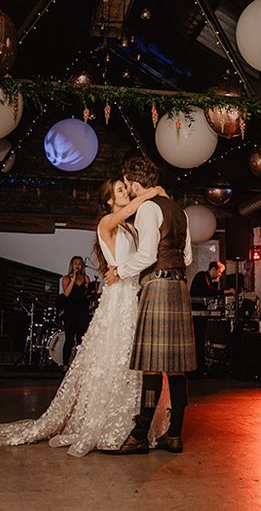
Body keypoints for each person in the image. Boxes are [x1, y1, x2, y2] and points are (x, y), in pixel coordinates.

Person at [0, 179, 169, 457]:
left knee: (135, 362)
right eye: (120, 190)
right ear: (109, 201)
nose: (126, 191)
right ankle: (107, 423)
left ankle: (135, 424)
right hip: (119, 301)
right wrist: (156, 192)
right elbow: (134, 208)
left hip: (134, 295)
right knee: (116, 356)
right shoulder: (108, 221)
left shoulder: (129, 226)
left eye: (125, 188)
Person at [105, 156, 195, 455]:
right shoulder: (180, 212)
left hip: (157, 285)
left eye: (126, 184)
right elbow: (188, 259)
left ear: (132, 181)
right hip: (180, 287)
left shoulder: (147, 208)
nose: (127, 189)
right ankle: (174, 435)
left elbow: (146, 256)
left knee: (152, 368)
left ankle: (140, 435)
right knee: (178, 369)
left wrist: (119, 271)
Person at [190, 260, 234, 375]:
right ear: (213, 269)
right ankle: (198, 369)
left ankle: (200, 367)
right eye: (219, 272)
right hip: (197, 315)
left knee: (201, 340)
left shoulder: (208, 279)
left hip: (200, 315)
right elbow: (207, 291)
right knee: (199, 341)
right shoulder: (202, 276)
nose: (220, 274)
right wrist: (226, 291)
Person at [59, 256, 91, 370]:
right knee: (69, 339)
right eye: (75, 263)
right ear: (72, 265)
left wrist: (90, 290)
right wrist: (73, 280)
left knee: (80, 339)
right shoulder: (65, 278)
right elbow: (66, 294)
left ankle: (78, 365)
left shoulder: (86, 278)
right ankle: (65, 365)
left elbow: (86, 295)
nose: (77, 265)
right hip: (70, 311)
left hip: (82, 311)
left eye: (80, 263)